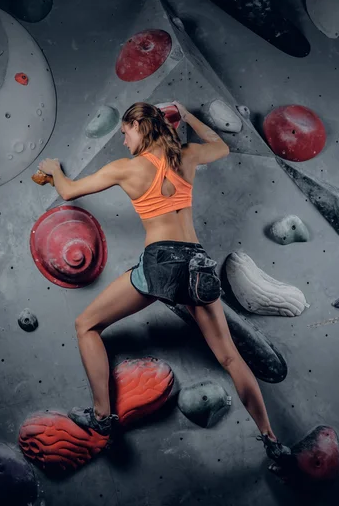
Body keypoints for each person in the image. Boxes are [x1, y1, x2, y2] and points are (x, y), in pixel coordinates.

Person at [38, 101, 280, 450]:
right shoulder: (187, 156)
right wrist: (185, 112)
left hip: (161, 261)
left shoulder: (127, 168)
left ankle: (102, 416)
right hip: (198, 264)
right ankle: (271, 439)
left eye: (125, 132)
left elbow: (68, 191)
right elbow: (222, 145)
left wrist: (54, 168)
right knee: (230, 357)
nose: (124, 141)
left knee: (85, 326)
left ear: (139, 124)